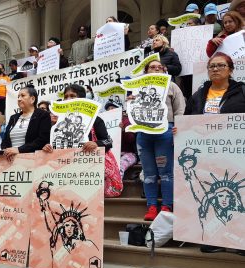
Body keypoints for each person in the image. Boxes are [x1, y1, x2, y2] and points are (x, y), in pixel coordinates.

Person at [184, 52, 245, 255]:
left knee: (240, 196)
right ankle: (216, 238)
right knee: (213, 199)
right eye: (212, 66)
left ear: (230, 69)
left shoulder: (242, 92)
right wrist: (181, 130)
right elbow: (187, 121)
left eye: (220, 66)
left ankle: (241, 241)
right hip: (207, 157)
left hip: (236, 155)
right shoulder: (198, 96)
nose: (215, 69)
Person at [133, 60, 185, 221]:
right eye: (152, 67)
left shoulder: (172, 86)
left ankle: (167, 205)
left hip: (165, 132)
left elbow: (180, 108)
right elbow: (132, 110)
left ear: (164, 70)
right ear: (146, 71)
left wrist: (179, 126)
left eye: (159, 67)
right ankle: (152, 206)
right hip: (144, 134)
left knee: (166, 172)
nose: (156, 69)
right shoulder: (137, 88)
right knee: (149, 174)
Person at [0, 86, 51, 161]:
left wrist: (19, 150)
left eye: (23, 96)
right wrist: (6, 151)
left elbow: (42, 139)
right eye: (18, 96)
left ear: (32, 99)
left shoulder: (43, 115)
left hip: (33, 161)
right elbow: (5, 141)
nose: (19, 99)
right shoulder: (13, 118)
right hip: (11, 161)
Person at [105, 101, 137, 179]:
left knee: (119, 167)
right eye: (108, 109)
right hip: (112, 154)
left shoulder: (127, 121)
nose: (110, 110)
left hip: (129, 154)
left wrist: (123, 130)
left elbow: (131, 139)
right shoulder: (104, 123)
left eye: (112, 108)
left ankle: (116, 189)